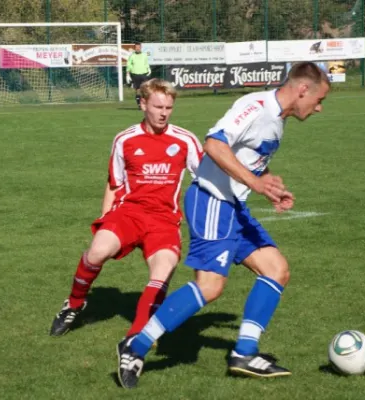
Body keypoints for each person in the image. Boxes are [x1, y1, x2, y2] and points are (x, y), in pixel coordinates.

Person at [117, 61, 331, 389]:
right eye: (318, 100)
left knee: (276, 269)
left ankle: (244, 352)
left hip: (232, 205)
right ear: (303, 89)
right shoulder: (256, 107)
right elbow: (215, 144)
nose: (318, 108)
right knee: (210, 286)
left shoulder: (277, 119)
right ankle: (137, 345)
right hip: (211, 201)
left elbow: (245, 160)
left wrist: (267, 186)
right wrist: (256, 184)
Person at [50, 79, 203, 342]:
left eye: (169, 107)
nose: (164, 113)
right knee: (97, 251)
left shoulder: (186, 140)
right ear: (143, 104)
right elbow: (114, 183)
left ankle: (135, 340)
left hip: (164, 220)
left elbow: (208, 177)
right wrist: (105, 219)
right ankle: (74, 305)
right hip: (128, 213)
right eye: (158, 106)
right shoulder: (125, 139)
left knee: (164, 268)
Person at [126, 42, 152, 110]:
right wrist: (127, 74)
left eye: (139, 47)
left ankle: (146, 104)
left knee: (146, 89)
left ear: (141, 48)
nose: (137, 49)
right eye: (136, 47)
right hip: (135, 74)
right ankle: (139, 105)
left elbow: (146, 63)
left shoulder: (144, 55)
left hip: (144, 74)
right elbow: (129, 65)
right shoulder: (132, 56)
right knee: (138, 90)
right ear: (134, 48)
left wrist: (148, 68)